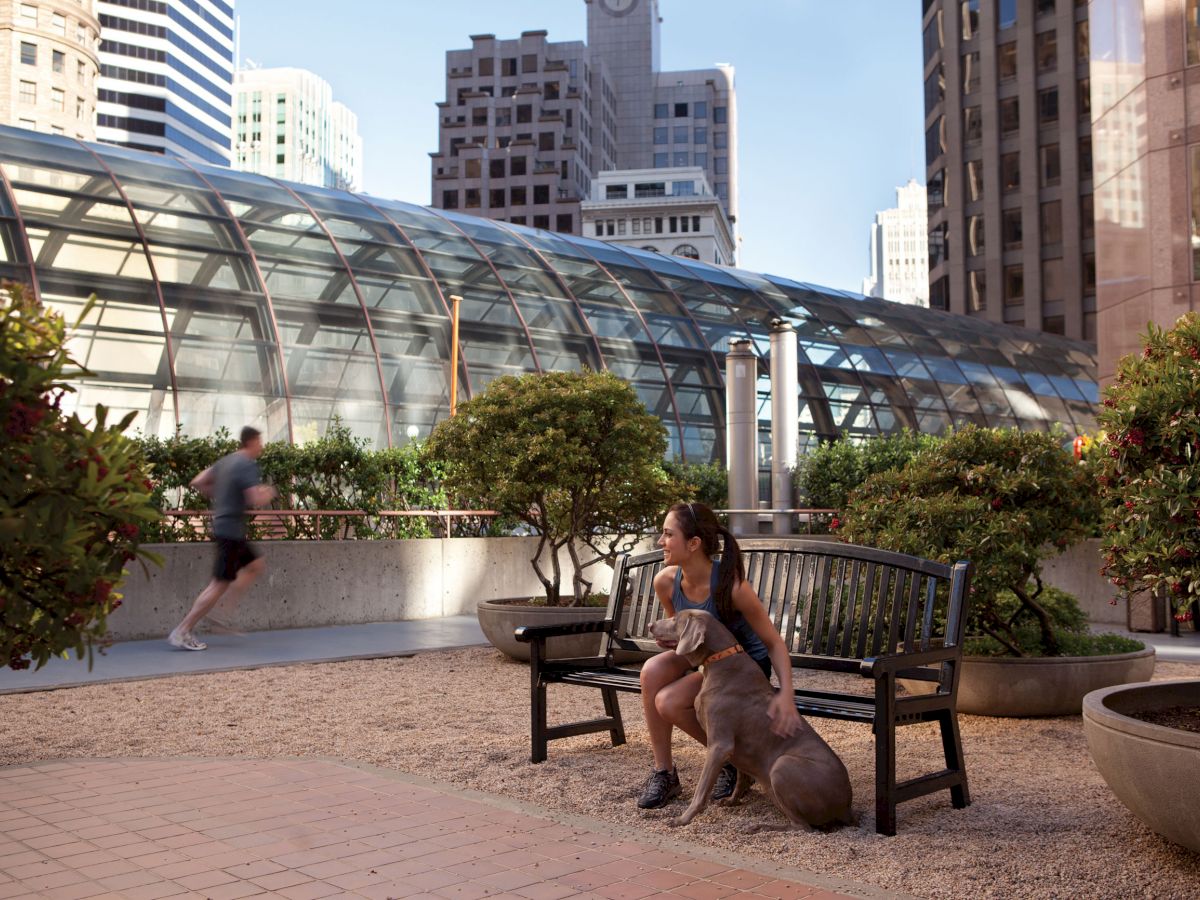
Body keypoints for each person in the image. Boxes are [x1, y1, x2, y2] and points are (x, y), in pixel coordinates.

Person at [636, 501, 802, 809]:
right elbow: (683, 632)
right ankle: (664, 772)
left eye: (668, 534)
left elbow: (774, 643)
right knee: (651, 671)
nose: (661, 542)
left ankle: (732, 760)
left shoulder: (733, 587)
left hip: (741, 671)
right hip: (708, 664)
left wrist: (787, 694)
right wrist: (674, 644)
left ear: (694, 543)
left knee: (668, 701)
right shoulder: (666, 582)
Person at [167, 426, 276, 651]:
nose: (262, 447)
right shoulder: (247, 464)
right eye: (260, 442)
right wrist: (269, 492)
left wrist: (220, 495)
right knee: (218, 584)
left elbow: (198, 481)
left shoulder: (226, 461)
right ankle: (183, 630)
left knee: (256, 564)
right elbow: (255, 499)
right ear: (252, 442)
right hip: (231, 531)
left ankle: (223, 610)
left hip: (227, 527)